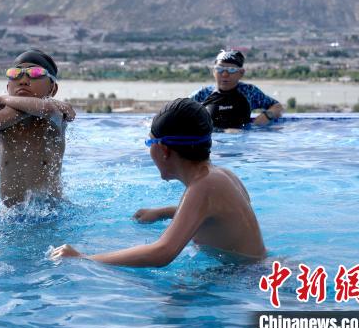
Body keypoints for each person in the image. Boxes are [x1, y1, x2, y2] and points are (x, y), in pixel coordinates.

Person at [50, 98, 266, 267]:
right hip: (251, 270)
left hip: (242, 278)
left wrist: (84, 258)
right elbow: (218, 216)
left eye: (149, 142)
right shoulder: (221, 176)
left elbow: (162, 253)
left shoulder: (204, 187)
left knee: (172, 303)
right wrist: (163, 212)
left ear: (163, 150)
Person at [0, 50, 76, 207]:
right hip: (11, 213)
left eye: (35, 73)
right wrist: (12, 103)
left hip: (52, 210)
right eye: (15, 74)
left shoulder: (55, 113)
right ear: (8, 86)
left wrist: (2, 99)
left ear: (52, 88)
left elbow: (46, 109)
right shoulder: (1, 116)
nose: (23, 80)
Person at [190, 50, 283, 129]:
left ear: (241, 73)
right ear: (214, 71)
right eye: (220, 69)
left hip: (241, 140)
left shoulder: (249, 92)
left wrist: (266, 116)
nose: (225, 74)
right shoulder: (203, 94)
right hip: (213, 142)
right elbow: (181, 111)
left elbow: (277, 106)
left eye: (231, 70)